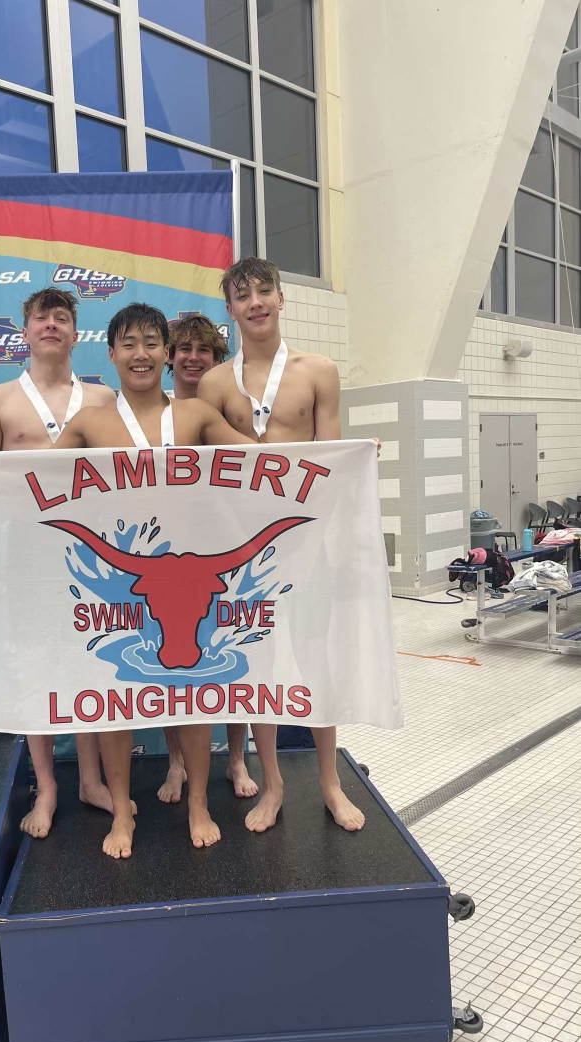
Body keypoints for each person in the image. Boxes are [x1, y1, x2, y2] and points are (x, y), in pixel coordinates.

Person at [0, 286, 127, 840]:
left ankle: (89, 779)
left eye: (62, 316)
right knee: (36, 666)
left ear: (75, 332)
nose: (52, 324)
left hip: (87, 556)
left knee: (90, 664)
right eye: (42, 317)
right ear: (26, 331)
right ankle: (48, 786)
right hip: (23, 556)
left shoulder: (103, 402)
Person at [53, 303, 255, 859]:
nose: (140, 354)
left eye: (150, 344)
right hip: (118, 586)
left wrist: (344, 458)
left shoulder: (194, 417)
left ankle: (198, 803)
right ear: (111, 354)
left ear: (166, 354)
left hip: (185, 583)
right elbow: (25, 478)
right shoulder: (89, 423)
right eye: (128, 344)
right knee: (117, 701)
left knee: (190, 694)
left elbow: (267, 460)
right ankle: (122, 813)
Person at [197, 256, 366, 836]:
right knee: (259, 667)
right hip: (246, 552)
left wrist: (338, 541)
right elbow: (205, 475)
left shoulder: (318, 370)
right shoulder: (214, 383)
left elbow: (334, 464)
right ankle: (271, 784)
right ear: (231, 311)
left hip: (307, 542)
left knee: (316, 661)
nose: (255, 303)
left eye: (263, 291)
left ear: (281, 297)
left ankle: (329, 781)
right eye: (242, 297)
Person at [156, 314, 258, 804]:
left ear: (218, 359)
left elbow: (267, 456)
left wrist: (344, 454)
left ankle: (237, 758)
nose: (194, 357)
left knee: (238, 657)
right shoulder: (150, 413)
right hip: (170, 554)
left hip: (226, 545)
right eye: (184, 349)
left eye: (205, 350)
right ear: (169, 357)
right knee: (173, 670)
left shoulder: (232, 411)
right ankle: (176, 762)